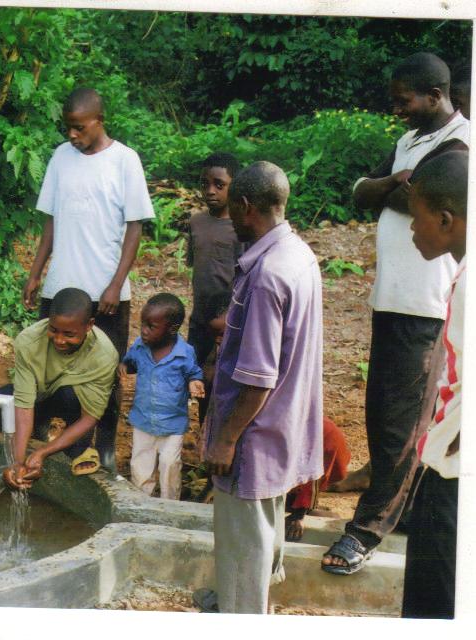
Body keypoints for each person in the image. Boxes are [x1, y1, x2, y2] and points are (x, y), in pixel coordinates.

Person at [323, 52, 469, 575]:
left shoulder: (464, 143)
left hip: (428, 305)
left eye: (404, 100)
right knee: (384, 413)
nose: (397, 109)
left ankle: (365, 531)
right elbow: (365, 191)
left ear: (436, 95)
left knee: (401, 424)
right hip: (391, 299)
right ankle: (401, 511)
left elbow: (420, 196)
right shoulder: (411, 141)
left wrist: (397, 188)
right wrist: (393, 185)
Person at [193, 161, 323, 614]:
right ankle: (248, 603)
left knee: (243, 550)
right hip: (281, 430)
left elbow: (258, 376)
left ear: (246, 207)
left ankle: (243, 614)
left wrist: (225, 439)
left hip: (253, 438)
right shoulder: (300, 255)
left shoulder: (267, 275)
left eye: (231, 209)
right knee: (263, 533)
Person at [22, 87, 155, 471]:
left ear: (99, 122)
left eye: (79, 128)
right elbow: (50, 221)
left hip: (106, 292)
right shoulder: (61, 159)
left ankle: (106, 445)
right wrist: (35, 273)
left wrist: (115, 283)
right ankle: (43, 430)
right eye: (68, 129)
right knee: (45, 363)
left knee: (105, 373)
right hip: (61, 290)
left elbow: (134, 228)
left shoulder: (125, 161)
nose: (72, 136)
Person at [0, 287, 118, 488]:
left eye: (69, 334)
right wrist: (17, 463)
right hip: (37, 396)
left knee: (69, 395)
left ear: (89, 326)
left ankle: (78, 448)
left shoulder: (104, 355)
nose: (59, 340)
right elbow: (23, 405)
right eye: (54, 330)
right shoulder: (29, 340)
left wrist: (43, 452)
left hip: (73, 403)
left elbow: (89, 417)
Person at [401, 150, 467, 619]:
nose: (411, 229)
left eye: (415, 218)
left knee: (434, 603)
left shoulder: (473, 284)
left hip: (454, 474)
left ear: (445, 220)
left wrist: (442, 449)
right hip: (451, 462)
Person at [119, 293, 204, 500]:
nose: (144, 331)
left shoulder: (185, 353)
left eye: (151, 327)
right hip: (143, 420)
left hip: (172, 424)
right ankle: (141, 501)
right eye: (143, 325)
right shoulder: (140, 346)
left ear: (172, 329)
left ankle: (170, 503)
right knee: (141, 464)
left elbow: (194, 372)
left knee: (169, 464)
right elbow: (130, 362)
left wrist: (195, 382)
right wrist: (124, 366)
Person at [186, 152, 243, 426]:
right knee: (199, 380)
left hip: (228, 321)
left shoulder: (241, 227)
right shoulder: (196, 222)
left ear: (234, 186)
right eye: (205, 183)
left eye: (219, 185)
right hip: (200, 318)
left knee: (224, 380)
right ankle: (203, 439)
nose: (210, 191)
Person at [284, 418, 351, 542]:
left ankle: (308, 510)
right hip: (304, 437)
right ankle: (304, 507)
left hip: (324, 444)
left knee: (306, 483)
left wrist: (299, 516)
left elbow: (311, 476)